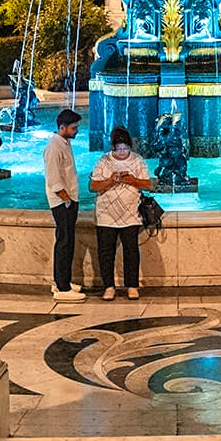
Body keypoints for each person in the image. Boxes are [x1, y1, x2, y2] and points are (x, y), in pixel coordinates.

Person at [89, 125, 152, 300]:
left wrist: (132, 180)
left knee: (131, 250)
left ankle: (132, 285)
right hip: (106, 215)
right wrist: (110, 180)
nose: (123, 152)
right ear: (113, 147)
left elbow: (147, 184)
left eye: (126, 148)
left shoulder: (138, 161)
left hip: (130, 214)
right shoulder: (103, 161)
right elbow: (93, 186)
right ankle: (109, 286)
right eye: (119, 149)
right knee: (106, 251)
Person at [43, 107, 85, 299]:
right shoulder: (54, 147)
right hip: (61, 202)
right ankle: (62, 288)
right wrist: (66, 200)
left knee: (68, 242)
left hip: (69, 199)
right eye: (74, 128)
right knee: (63, 242)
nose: (76, 131)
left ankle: (64, 282)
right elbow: (54, 179)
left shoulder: (64, 143)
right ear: (63, 127)